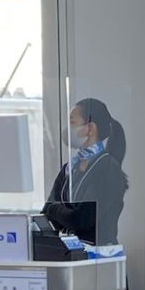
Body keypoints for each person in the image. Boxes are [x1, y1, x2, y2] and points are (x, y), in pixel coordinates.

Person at [50, 97, 128, 245]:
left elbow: (81, 219)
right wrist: (58, 211)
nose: (67, 128)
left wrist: (55, 209)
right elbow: (47, 212)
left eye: (72, 122)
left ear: (90, 129)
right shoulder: (70, 168)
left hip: (99, 256)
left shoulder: (108, 168)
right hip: (70, 253)